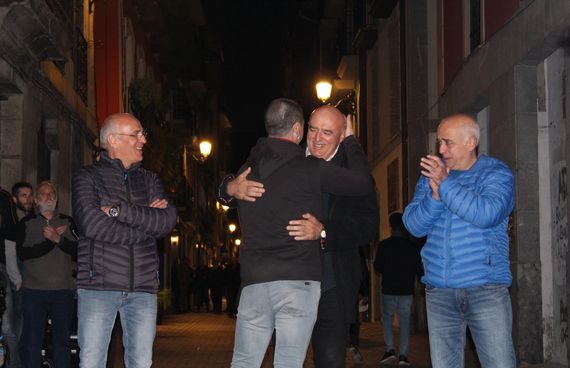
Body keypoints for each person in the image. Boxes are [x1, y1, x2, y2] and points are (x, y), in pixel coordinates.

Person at [223, 105, 379, 368]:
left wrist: (324, 230)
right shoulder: (282, 161)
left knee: (328, 361)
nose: (317, 138)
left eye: (327, 132)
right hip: (288, 282)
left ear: (342, 136)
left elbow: (368, 227)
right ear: (301, 129)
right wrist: (228, 188)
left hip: (331, 283)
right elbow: (236, 182)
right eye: (313, 129)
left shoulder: (351, 169)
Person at [403, 113, 516, 368]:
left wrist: (445, 185)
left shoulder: (497, 173)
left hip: (485, 289)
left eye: (448, 142)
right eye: (439, 143)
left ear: (471, 142)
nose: (441, 150)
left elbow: (486, 214)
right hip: (439, 292)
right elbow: (413, 226)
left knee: (499, 364)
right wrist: (434, 198)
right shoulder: (431, 176)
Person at [72, 113, 177, 368]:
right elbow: (91, 224)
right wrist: (145, 224)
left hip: (142, 289)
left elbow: (165, 222)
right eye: (136, 134)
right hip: (98, 287)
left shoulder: (150, 180)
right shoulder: (86, 177)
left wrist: (119, 210)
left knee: (141, 363)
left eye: (143, 134)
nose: (143, 140)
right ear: (113, 140)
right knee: (91, 362)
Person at [16, 181, 77, 368]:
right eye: (43, 194)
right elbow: (24, 253)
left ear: (56, 199)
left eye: (52, 194)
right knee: (32, 342)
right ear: (36, 199)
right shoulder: (26, 223)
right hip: (34, 292)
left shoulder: (68, 221)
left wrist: (58, 239)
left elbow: (80, 250)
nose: (48, 197)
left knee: (62, 343)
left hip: (63, 292)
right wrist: (50, 242)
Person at [374, 212, 422, 366]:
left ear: (391, 226)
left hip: (388, 288)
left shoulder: (383, 245)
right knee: (405, 321)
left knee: (387, 319)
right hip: (406, 290)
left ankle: (389, 350)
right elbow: (418, 269)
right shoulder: (412, 247)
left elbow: (378, 267)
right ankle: (403, 354)